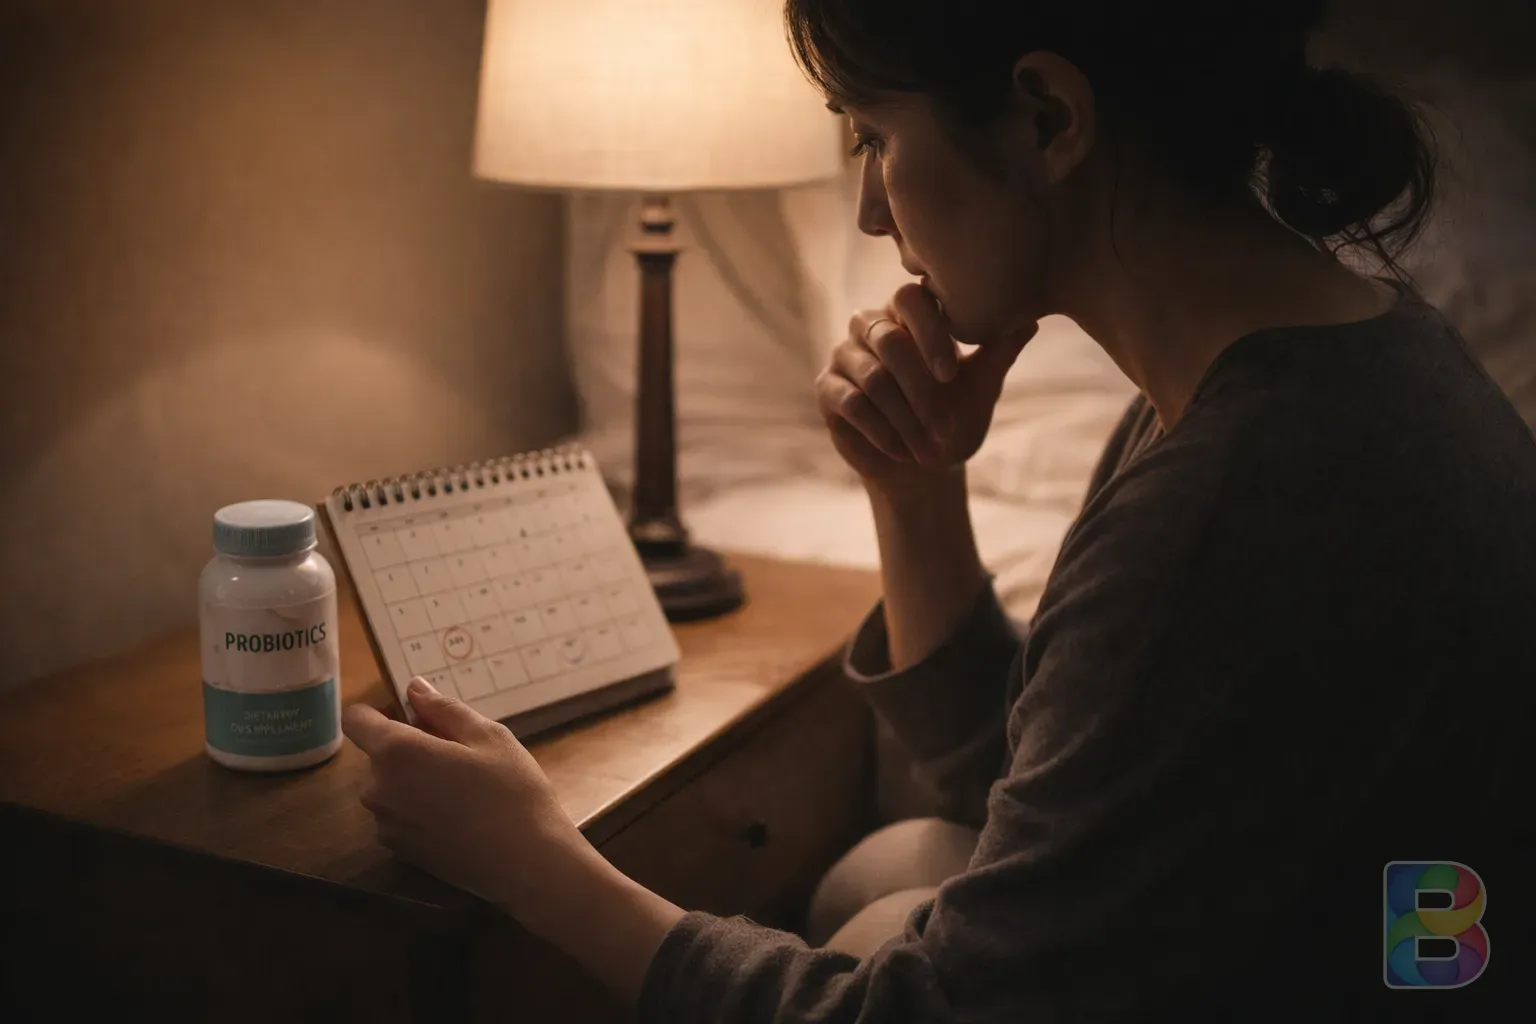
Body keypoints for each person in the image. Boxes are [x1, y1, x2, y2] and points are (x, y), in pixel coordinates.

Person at [341, 1, 1534, 1019]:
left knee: (877, 913)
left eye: (874, 134)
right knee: (892, 865)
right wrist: (913, 497)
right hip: (1373, 945)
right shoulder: (1304, 357)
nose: (871, 208)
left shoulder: (1239, 501)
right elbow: (1058, 789)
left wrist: (540, 867)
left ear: (1047, 119)